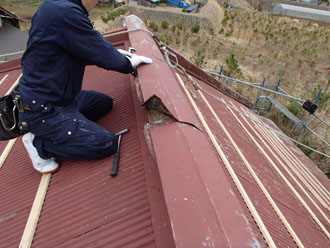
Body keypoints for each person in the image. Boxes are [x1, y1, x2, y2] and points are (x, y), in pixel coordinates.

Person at [19, 0, 152, 173]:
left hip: (60, 97)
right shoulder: (65, 13)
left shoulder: (56, 6)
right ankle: (39, 144)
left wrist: (116, 54)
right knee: (105, 143)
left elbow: (81, 46)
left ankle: (66, 126)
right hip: (44, 108)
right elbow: (97, 50)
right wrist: (127, 64)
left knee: (103, 103)